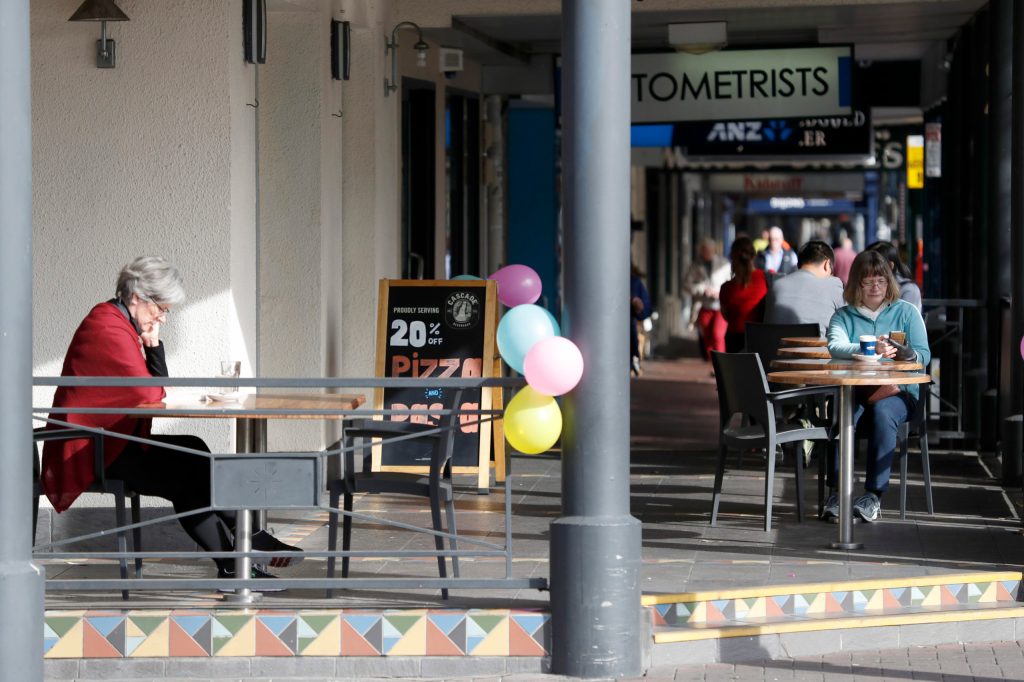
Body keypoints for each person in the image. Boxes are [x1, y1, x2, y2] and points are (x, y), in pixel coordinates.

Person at [41, 256, 301, 584]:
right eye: (161, 308)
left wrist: (153, 345)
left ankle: (238, 556)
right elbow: (151, 393)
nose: (162, 317)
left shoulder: (123, 323)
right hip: (92, 450)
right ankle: (246, 545)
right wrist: (150, 350)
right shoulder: (105, 326)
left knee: (194, 452)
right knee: (187, 469)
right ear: (137, 297)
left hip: (115, 440)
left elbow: (155, 387)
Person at [823, 250, 931, 522]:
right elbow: (834, 346)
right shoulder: (843, 316)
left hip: (899, 392)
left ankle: (873, 496)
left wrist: (910, 354)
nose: (875, 287)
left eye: (881, 281)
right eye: (868, 281)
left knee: (884, 412)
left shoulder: (907, 312)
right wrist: (868, 347)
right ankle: (837, 492)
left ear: (889, 283)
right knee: (840, 411)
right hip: (857, 391)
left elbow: (924, 353)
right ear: (856, 283)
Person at [763, 240, 846, 337]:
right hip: (814, 350)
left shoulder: (776, 285)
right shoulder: (832, 284)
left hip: (772, 350)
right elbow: (850, 322)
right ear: (827, 265)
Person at [683, 238, 731, 361]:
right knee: (707, 337)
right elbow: (686, 286)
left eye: (710, 250)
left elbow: (732, 283)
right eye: (704, 250)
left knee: (718, 335)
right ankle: (713, 364)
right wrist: (702, 289)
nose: (707, 253)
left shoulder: (724, 264)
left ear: (715, 250)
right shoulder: (695, 265)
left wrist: (720, 292)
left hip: (721, 306)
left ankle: (722, 363)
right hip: (703, 306)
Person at [719, 236, 768, 353]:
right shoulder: (766, 279)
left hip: (734, 340)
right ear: (753, 255)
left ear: (732, 257)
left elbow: (726, 316)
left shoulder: (726, 288)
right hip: (760, 338)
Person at [866, 241, 923, 312]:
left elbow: (905, 320)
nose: (868, 268)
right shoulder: (865, 286)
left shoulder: (908, 289)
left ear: (890, 266)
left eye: (874, 264)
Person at [630, 264, 653, 376]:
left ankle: (634, 361)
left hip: (630, 330)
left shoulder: (634, 282)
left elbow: (645, 309)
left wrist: (636, 304)